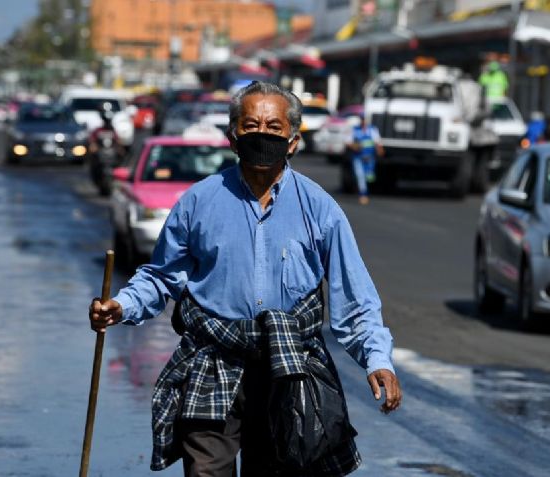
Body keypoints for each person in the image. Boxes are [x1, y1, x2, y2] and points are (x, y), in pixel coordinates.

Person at [89, 82, 401, 477]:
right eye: (251, 126)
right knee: (206, 471)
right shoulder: (199, 202)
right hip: (212, 360)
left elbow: (354, 301)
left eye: (274, 128)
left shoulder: (321, 209)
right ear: (233, 138)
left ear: (293, 141)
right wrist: (121, 306)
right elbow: (162, 277)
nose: (262, 136)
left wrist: (377, 360)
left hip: (289, 369)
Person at [350, 116, 384, 205]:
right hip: (358, 157)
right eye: (361, 119)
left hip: (369, 157)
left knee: (369, 176)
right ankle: (363, 194)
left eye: (364, 119)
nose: (363, 121)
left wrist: (379, 149)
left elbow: (377, 142)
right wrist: (354, 146)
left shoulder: (372, 130)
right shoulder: (355, 130)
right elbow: (348, 141)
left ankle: (368, 189)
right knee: (360, 175)